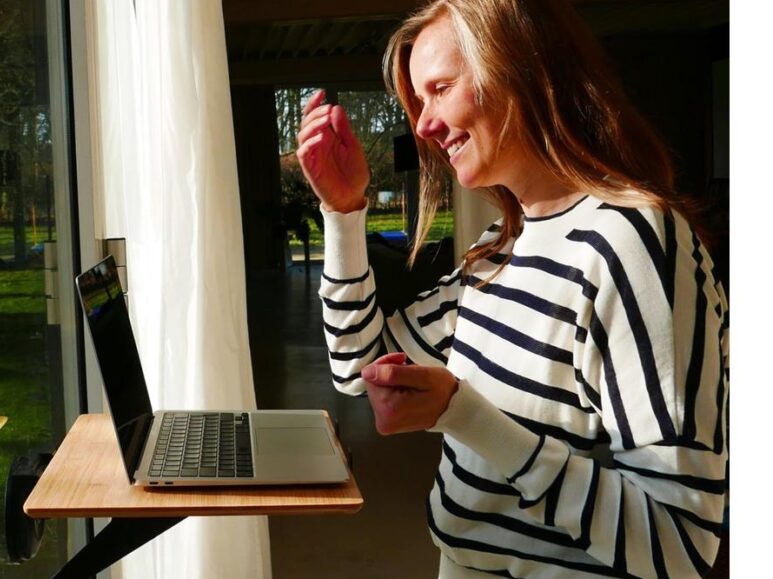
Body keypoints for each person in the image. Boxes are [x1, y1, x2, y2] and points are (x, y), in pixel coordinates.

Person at [296, 0, 728, 577]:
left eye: (441, 88)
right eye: (419, 101)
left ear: (518, 69)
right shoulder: (503, 244)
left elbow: (679, 542)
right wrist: (344, 211)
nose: (422, 124)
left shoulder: (629, 243)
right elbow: (359, 368)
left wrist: (465, 415)